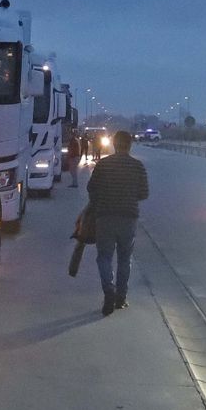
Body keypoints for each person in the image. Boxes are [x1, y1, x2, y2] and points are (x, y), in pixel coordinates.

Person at [87, 130, 149, 315]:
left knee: (104, 257)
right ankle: (121, 298)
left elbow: (91, 188)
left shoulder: (103, 165)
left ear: (114, 144)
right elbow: (144, 194)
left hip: (104, 217)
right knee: (124, 258)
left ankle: (109, 291)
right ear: (130, 145)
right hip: (128, 218)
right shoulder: (138, 166)